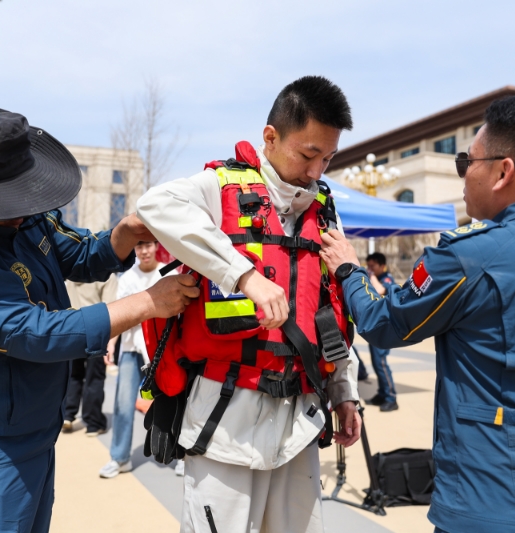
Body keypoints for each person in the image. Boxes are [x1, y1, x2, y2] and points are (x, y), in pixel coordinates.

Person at [319, 93, 515, 533]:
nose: (463, 175)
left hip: (486, 512)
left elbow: (383, 323)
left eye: (466, 162)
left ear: (503, 171)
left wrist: (348, 270)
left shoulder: (467, 258)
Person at [0, 103, 199, 533]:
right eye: (10, 196)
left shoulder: (24, 217)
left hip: (35, 435)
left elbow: (82, 253)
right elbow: (34, 333)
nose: (23, 205)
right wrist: (147, 303)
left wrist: (124, 234)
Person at [137, 76, 361, 533]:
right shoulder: (219, 186)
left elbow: (329, 309)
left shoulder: (324, 209)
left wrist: (344, 393)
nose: (317, 170)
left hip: (300, 421)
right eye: (308, 154)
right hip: (224, 422)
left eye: (328, 157)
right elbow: (155, 206)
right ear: (270, 137)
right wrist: (244, 274)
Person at [99, 239, 168, 478]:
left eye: (148, 245)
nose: (144, 251)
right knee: (122, 403)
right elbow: (118, 314)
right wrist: (111, 344)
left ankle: (180, 456)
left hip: (161, 348)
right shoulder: (127, 277)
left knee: (173, 401)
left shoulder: (168, 273)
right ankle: (119, 458)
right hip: (130, 347)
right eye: (139, 247)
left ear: (156, 246)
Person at [63, 275, 119, 436]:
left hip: (71, 327)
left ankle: (67, 415)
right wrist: (111, 341)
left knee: (73, 375)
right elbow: (110, 308)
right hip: (96, 330)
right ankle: (93, 423)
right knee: (94, 378)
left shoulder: (71, 272)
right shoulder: (106, 274)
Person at [363, 252, 398, 411]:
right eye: (368, 266)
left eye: (373, 266)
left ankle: (391, 397)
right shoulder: (376, 278)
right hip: (376, 328)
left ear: (382, 266)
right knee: (376, 363)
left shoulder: (387, 279)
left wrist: (370, 275)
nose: (370, 269)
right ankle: (382, 393)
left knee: (381, 363)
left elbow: (380, 290)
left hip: (385, 329)